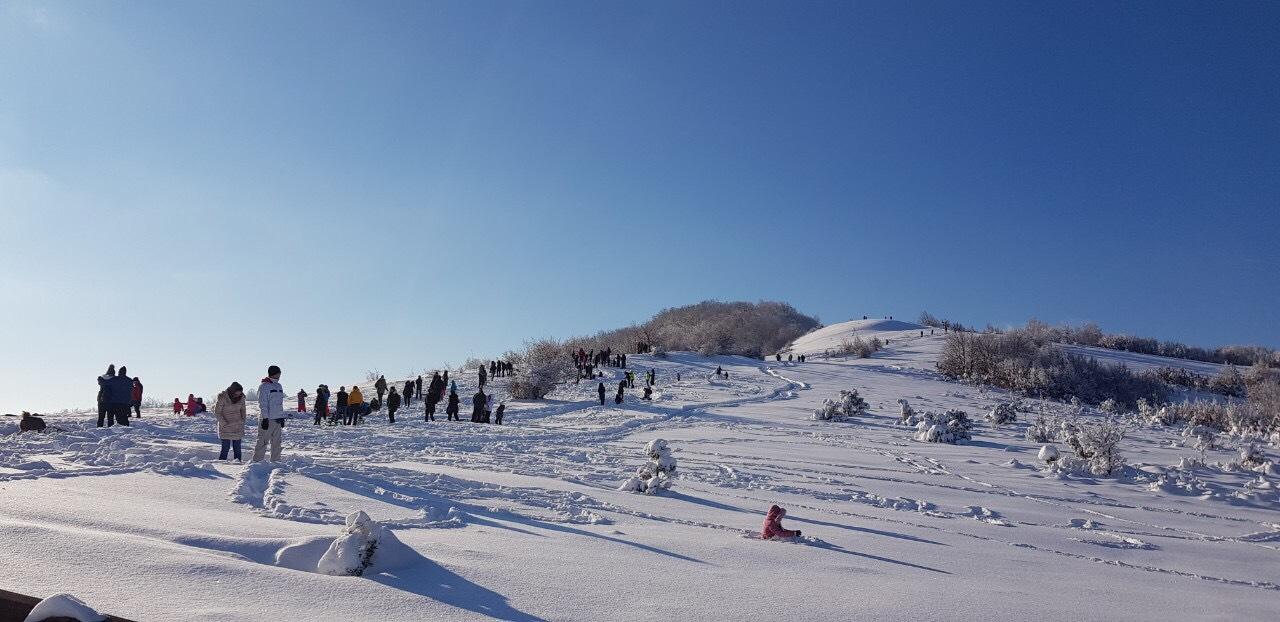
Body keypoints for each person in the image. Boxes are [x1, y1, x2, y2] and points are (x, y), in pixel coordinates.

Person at [252, 365, 286, 462]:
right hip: (268, 419)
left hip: (277, 419)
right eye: (279, 373)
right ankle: (257, 462)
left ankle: (276, 462)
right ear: (274, 373)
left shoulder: (279, 386)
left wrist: (281, 416)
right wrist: (265, 418)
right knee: (262, 442)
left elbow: (280, 403)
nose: (280, 375)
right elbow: (263, 403)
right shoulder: (264, 386)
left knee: (277, 443)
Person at [214, 382, 247, 462]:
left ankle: (238, 465)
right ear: (232, 392)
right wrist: (223, 423)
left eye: (239, 394)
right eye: (236, 394)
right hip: (226, 427)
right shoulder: (223, 397)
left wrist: (243, 419)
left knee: (237, 449)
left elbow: (243, 410)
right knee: (225, 448)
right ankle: (221, 464)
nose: (238, 396)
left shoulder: (241, 398)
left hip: (237, 426)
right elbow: (217, 412)